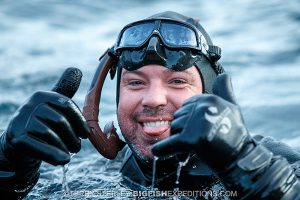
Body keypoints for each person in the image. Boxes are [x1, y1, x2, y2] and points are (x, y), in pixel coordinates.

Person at [0, 11, 300, 199]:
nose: (153, 98)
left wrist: (247, 167)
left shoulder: (275, 162)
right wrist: (9, 165)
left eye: (177, 82)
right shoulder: (96, 166)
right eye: (135, 82)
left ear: (212, 94)